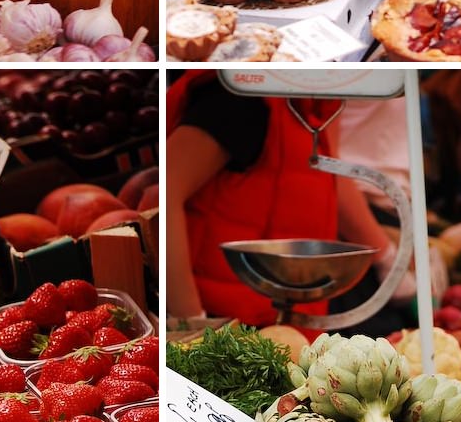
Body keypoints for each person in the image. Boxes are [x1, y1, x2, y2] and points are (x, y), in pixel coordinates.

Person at [167, 71, 392, 325]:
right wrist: (190, 321)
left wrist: (388, 257)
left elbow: (329, 173)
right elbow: (168, 190)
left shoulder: (318, 104)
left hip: (284, 316)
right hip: (225, 324)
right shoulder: (239, 95)